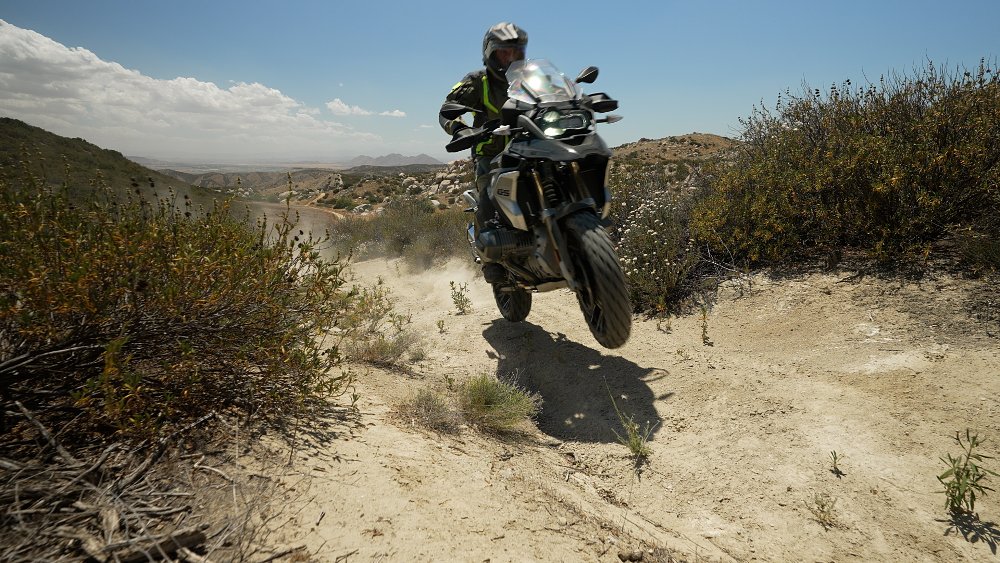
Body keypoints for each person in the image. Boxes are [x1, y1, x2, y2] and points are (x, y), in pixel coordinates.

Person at [439, 22, 527, 283]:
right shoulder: (478, 81)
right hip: (490, 151)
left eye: (516, 52)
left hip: (529, 147)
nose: (510, 58)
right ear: (491, 53)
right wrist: (459, 129)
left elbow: (556, 96)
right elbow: (447, 109)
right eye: (504, 52)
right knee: (489, 194)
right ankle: (491, 259)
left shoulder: (531, 79)